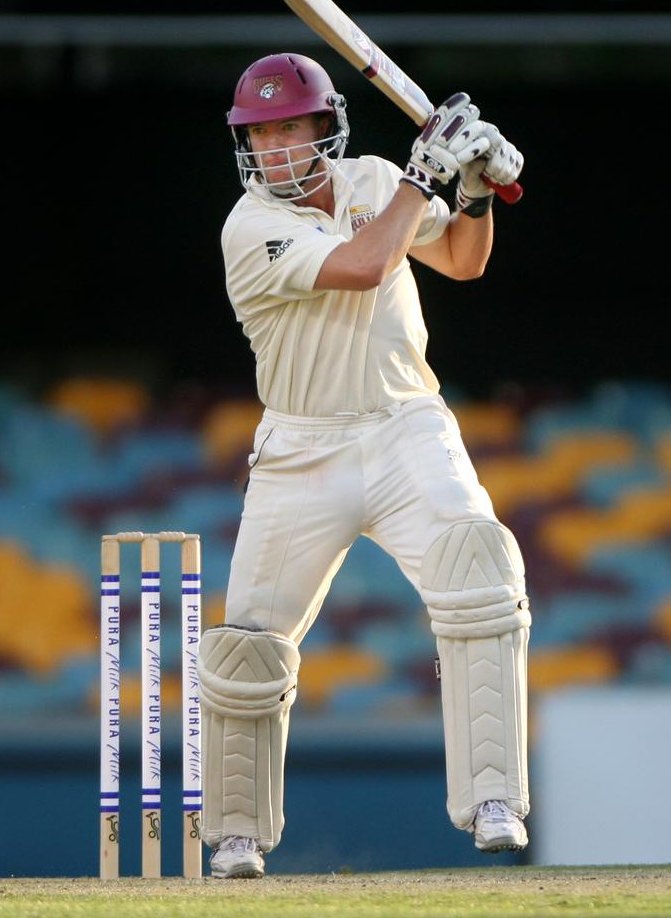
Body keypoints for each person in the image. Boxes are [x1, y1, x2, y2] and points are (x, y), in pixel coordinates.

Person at [197, 52, 530, 879]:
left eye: (288, 128)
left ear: (324, 128)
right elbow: (363, 266)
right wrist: (427, 173)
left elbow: (462, 259)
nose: (273, 148)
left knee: (479, 567)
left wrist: (477, 189)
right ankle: (237, 833)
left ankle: (494, 796)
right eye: (259, 133)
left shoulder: (376, 178)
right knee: (248, 648)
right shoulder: (249, 227)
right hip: (300, 448)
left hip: (405, 423)